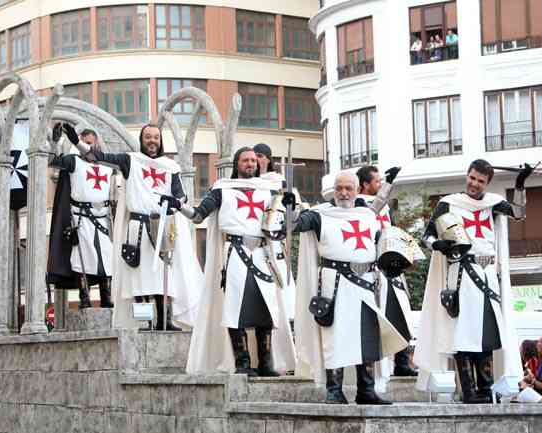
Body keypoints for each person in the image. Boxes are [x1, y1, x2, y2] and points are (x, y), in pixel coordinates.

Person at [415, 159, 534, 404]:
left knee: (486, 334)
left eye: (480, 181)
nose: (474, 184)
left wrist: (520, 184)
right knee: (462, 334)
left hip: (488, 274)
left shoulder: (493, 203)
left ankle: (485, 389)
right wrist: (437, 244)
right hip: (461, 273)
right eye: (472, 178)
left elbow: (518, 213)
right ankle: (468, 391)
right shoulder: (449, 203)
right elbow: (426, 236)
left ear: (487, 182)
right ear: (467, 175)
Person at [174, 147, 295, 377]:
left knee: (267, 307)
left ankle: (265, 363)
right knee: (235, 307)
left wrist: (290, 207)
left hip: (262, 253)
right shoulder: (222, 189)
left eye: (253, 160)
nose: (250, 164)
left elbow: (282, 225)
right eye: (245, 160)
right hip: (236, 251)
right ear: (237, 164)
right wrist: (180, 206)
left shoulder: (269, 190)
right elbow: (199, 215)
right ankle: (242, 362)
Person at [294, 171, 409, 405]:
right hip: (334, 283)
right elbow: (296, 225)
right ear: (333, 191)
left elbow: (381, 236)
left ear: (357, 191)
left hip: (366, 282)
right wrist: (290, 210)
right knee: (334, 336)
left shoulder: (367, 215)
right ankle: (334, 391)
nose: (343, 193)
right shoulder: (320, 215)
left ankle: (366, 390)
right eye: (339, 188)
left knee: (367, 336)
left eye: (348, 188)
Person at [77, 124, 202, 331]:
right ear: (142, 140)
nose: (152, 141)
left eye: (156, 137)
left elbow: (181, 196)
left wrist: (175, 201)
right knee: (138, 278)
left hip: (162, 226)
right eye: (148, 137)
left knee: (164, 277)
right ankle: (144, 321)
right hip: (137, 228)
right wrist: (77, 142)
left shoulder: (170, 166)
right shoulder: (130, 160)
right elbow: (97, 157)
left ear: (160, 141)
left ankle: (164, 321)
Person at [356, 165, 417, 377]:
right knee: (381, 314)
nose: (381, 185)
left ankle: (402, 362)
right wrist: (389, 184)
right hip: (374, 267)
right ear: (365, 184)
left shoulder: (385, 207)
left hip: (392, 265)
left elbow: (392, 230)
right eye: (378, 181)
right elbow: (372, 212)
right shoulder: (359, 205)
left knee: (400, 311)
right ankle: (378, 369)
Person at [47, 124, 114, 309]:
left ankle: (106, 298)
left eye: (90, 143)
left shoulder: (107, 164)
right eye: (84, 143)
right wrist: (55, 142)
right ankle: (84, 297)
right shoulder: (74, 162)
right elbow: (52, 161)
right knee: (82, 258)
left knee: (106, 258)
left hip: (104, 218)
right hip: (81, 217)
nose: (87, 147)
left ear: (97, 144)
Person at [253, 143, 297, 322]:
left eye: (260, 156)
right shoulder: (246, 181)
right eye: (254, 156)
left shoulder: (278, 181)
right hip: (254, 233)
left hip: (274, 236)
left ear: (268, 159)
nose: (256, 159)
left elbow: (291, 211)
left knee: (279, 274)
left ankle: (287, 317)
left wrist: (290, 205)